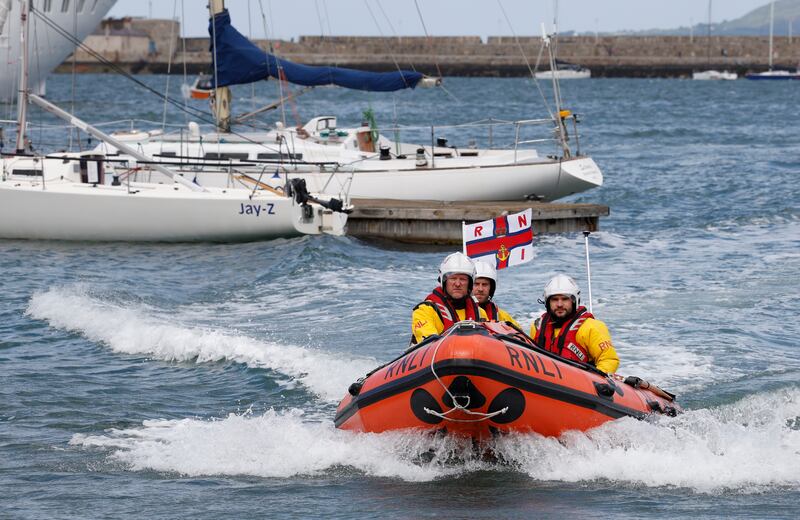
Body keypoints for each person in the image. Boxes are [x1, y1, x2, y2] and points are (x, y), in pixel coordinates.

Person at [530, 274, 619, 374]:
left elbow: (609, 360)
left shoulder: (592, 327)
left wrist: (595, 382)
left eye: (565, 299)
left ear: (574, 301)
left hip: (578, 383)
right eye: (555, 299)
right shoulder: (537, 327)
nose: (559, 304)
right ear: (547, 302)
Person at [411, 252, 488, 346]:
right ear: (444, 281)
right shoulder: (425, 311)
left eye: (463, 279)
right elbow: (427, 342)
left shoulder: (480, 313)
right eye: (453, 278)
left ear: (470, 283)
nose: (458, 283)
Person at [472, 260, 521, 329]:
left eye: (485, 285)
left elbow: (521, 336)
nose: (480, 289)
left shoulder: (503, 317)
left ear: (491, 288)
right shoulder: (455, 313)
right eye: (476, 284)